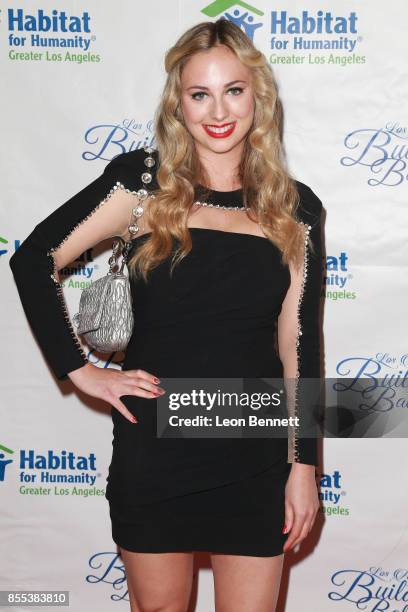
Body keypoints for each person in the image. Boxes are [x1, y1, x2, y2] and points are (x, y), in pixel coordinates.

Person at [9, 19, 323, 612]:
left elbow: (297, 344)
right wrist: (81, 370)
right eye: (198, 93)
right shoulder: (143, 183)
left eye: (233, 89)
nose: (218, 110)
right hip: (156, 450)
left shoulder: (295, 207)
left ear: (259, 94)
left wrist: (303, 468)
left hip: (253, 450)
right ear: (178, 104)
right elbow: (32, 260)